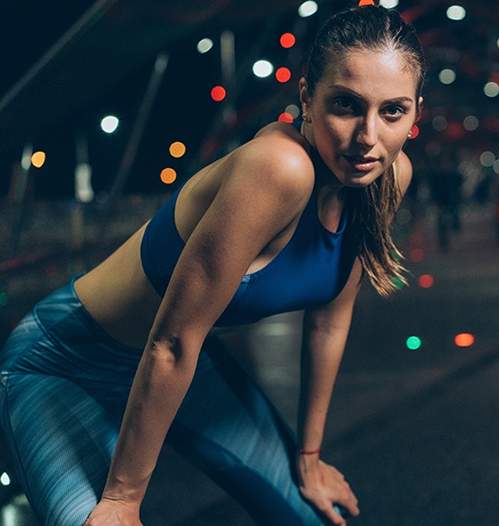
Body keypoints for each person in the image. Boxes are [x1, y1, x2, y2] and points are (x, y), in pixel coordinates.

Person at [0, 4, 425, 526]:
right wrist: (123, 499)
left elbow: (329, 321)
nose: (367, 137)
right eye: (345, 105)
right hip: (65, 363)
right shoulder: (279, 167)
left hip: (190, 365)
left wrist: (309, 459)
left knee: (312, 515)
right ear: (306, 99)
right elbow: (172, 340)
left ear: (415, 113)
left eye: (392, 112)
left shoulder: (388, 177)